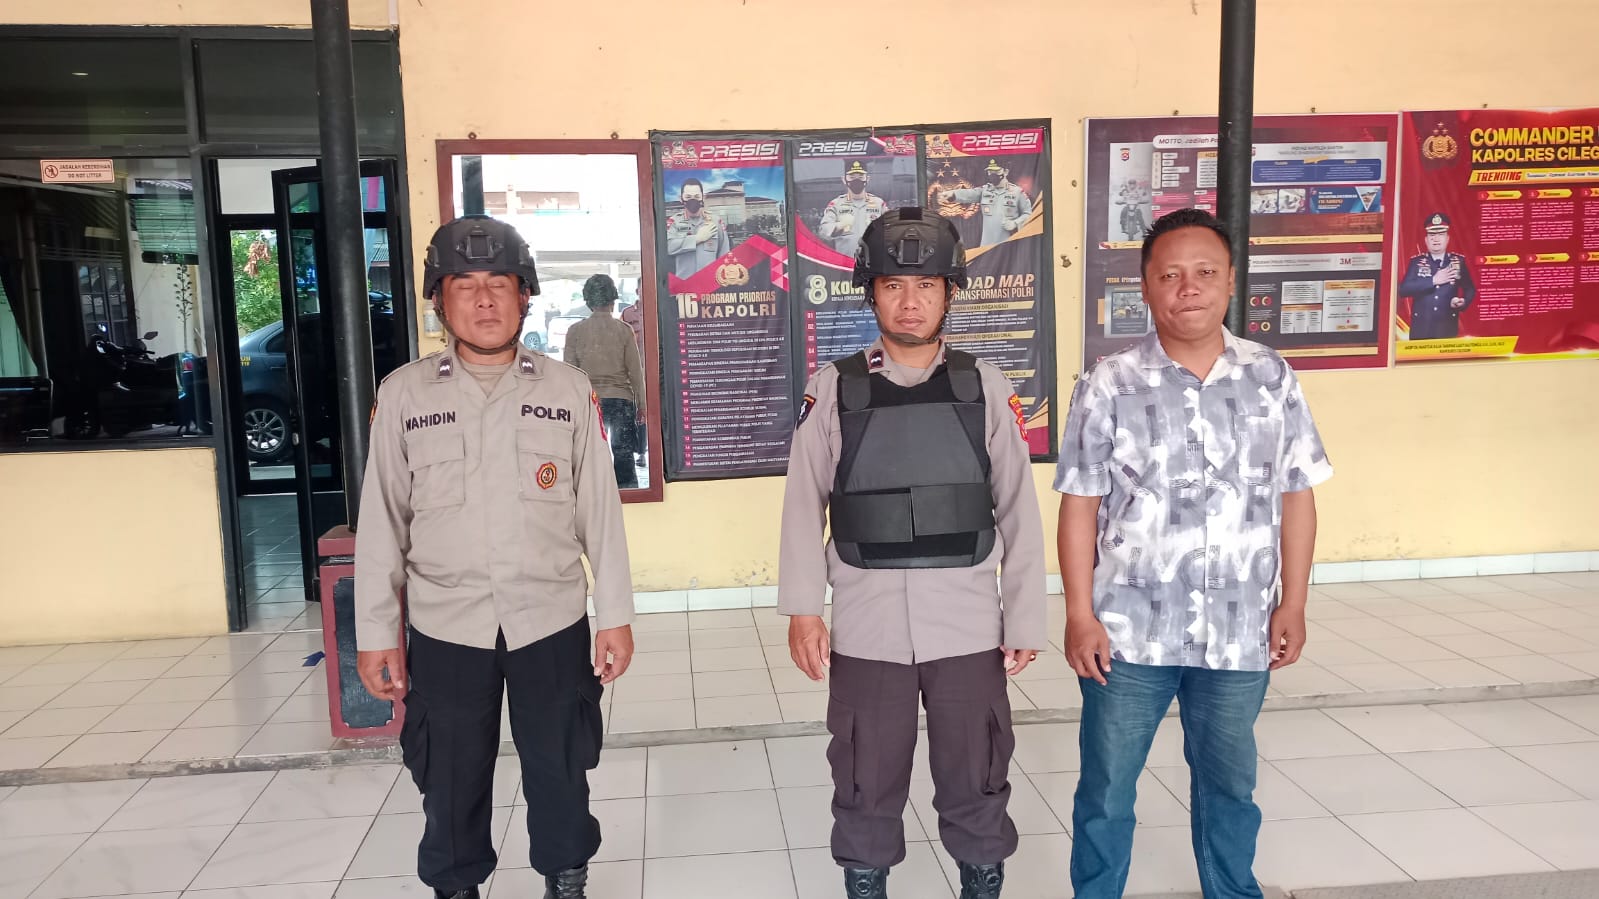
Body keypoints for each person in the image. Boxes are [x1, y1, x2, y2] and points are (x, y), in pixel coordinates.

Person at [354, 215, 636, 899]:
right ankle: (456, 887)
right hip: (447, 626)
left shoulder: (566, 390)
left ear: (525, 295)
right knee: (449, 775)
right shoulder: (403, 395)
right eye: (464, 285)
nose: (483, 300)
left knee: (561, 766)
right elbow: (382, 523)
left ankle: (566, 879)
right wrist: (374, 634)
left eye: (499, 284)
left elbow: (599, 512)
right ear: (439, 299)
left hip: (550, 619)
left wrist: (615, 615)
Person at [1055, 208, 1332, 899]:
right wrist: (1080, 614)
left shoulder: (1271, 376)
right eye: (1170, 275)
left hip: (1239, 630)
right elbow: (1079, 504)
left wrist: (1294, 602)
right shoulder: (1108, 382)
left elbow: (1296, 492)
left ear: (1230, 281)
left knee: (1229, 786)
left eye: (1205, 272)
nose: (1189, 288)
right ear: (1145, 287)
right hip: (1127, 634)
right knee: (1107, 790)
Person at [779, 207, 1048, 899]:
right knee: (864, 776)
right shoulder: (833, 388)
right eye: (894, 285)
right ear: (870, 292)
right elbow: (803, 504)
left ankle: (980, 881)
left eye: (926, 284)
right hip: (867, 626)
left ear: (949, 292)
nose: (909, 300)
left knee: (976, 772)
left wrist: (1024, 618)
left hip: (966, 625)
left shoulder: (984, 385)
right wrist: (804, 611)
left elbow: (1018, 508)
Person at [564, 273, 646, 489]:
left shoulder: (575, 331)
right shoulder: (624, 331)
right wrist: (642, 405)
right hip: (621, 401)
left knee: (589, 457)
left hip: (589, 402)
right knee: (623, 456)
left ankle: (593, 497)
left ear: (588, 301)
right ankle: (628, 497)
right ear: (613, 300)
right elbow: (635, 372)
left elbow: (569, 374)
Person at [1398, 212, 1476, 340]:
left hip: (1447, 327)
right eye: (1432, 235)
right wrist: (1433, 280)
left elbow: (1470, 289)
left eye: (1441, 234)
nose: (1436, 239)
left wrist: (1463, 302)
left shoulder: (1458, 262)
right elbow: (1403, 290)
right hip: (1421, 329)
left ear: (1447, 239)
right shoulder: (1416, 262)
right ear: (1426, 240)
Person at [937, 159, 1034, 245]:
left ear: (1006, 172)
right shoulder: (984, 191)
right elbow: (969, 193)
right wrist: (952, 194)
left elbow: (1029, 214)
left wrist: (1015, 223)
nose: (992, 174)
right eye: (990, 171)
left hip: (1009, 245)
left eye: (996, 171)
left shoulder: (1017, 192)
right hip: (987, 246)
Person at [817, 160, 890, 254]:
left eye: (860, 177)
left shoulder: (879, 204)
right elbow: (823, 232)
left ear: (867, 179)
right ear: (844, 179)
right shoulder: (836, 204)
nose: (856, 180)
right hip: (846, 260)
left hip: (873, 260)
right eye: (852, 177)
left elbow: (891, 229)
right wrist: (839, 226)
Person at [664, 178, 731, 277]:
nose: (693, 200)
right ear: (681, 198)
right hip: (684, 284)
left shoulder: (715, 221)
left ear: (703, 197)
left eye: (697, 196)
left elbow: (724, 254)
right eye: (688, 197)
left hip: (710, 283)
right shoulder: (674, 222)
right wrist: (697, 239)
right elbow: (668, 247)